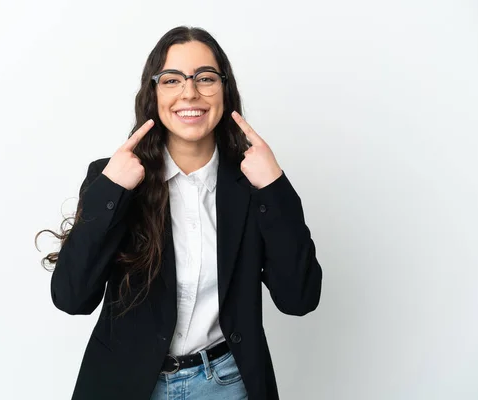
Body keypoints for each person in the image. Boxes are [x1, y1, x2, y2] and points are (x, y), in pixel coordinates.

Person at [36, 25, 322, 400]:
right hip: (128, 384)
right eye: (172, 79)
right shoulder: (113, 178)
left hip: (228, 383)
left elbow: (299, 299)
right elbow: (72, 297)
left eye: (205, 78)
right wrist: (111, 192)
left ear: (225, 90)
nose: (190, 92)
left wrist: (274, 187)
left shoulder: (254, 184)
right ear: (153, 93)